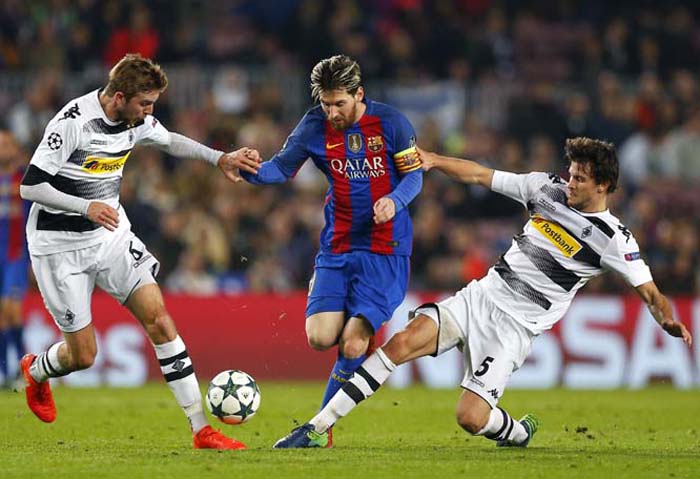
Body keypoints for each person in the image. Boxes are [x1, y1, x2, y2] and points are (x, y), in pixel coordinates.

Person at [273, 136, 693, 448]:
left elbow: (651, 293)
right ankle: (316, 428)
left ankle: (515, 431)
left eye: (579, 179)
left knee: (470, 418)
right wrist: (435, 160)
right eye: (570, 174)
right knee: (398, 344)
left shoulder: (613, 239)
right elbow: (479, 173)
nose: (569, 183)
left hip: (514, 328)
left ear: (603, 186)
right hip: (480, 297)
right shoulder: (544, 188)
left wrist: (666, 319)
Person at [18, 54, 261, 450]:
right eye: (144, 104)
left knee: (160, 320)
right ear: (117, 98)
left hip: (111, 236)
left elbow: (170, 141)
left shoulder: (137, 121)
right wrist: (85, 206)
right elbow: (30, 186)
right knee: (83, 356)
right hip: (59, 246)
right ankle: (36, 370)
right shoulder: (72, 122)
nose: (150, 112)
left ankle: (201, 429)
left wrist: (220, 158)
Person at [240, 54, 422, 446]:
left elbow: (414, 175)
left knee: (352, 342)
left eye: (339, 103)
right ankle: (356, 338)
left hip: (385, 249)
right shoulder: (312, 126)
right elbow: (279, 170)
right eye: (325, 103)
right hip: (337, 246)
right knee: (321, 338)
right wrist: (246, 167)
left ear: (359, 94)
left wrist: (394, 201)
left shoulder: (391, 124)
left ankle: (319, 430)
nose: (332, 112)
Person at [0, 130, 30, 390]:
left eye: (7, 144)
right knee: (2, 315)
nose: (2, 149)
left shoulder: (25, 179)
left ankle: (22, 370)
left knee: (12, 309)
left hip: (15, 255)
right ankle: (5, 372)